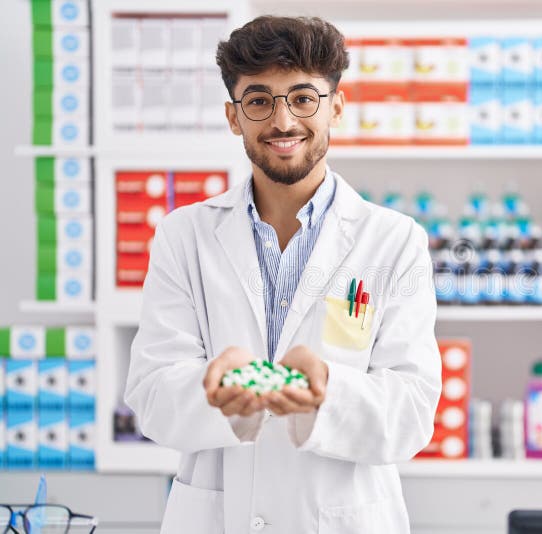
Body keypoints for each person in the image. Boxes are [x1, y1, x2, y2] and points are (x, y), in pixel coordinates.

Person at [124, 15, 441, 534]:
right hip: (215, 517)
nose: (283, 120)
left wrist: (326, 393)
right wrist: (215, 391)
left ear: (336, 106)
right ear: (234, 117)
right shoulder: (184, 236)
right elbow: (153, 395)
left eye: (303, 97)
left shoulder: (394, 240)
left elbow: (412, 411)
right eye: (259, 100)